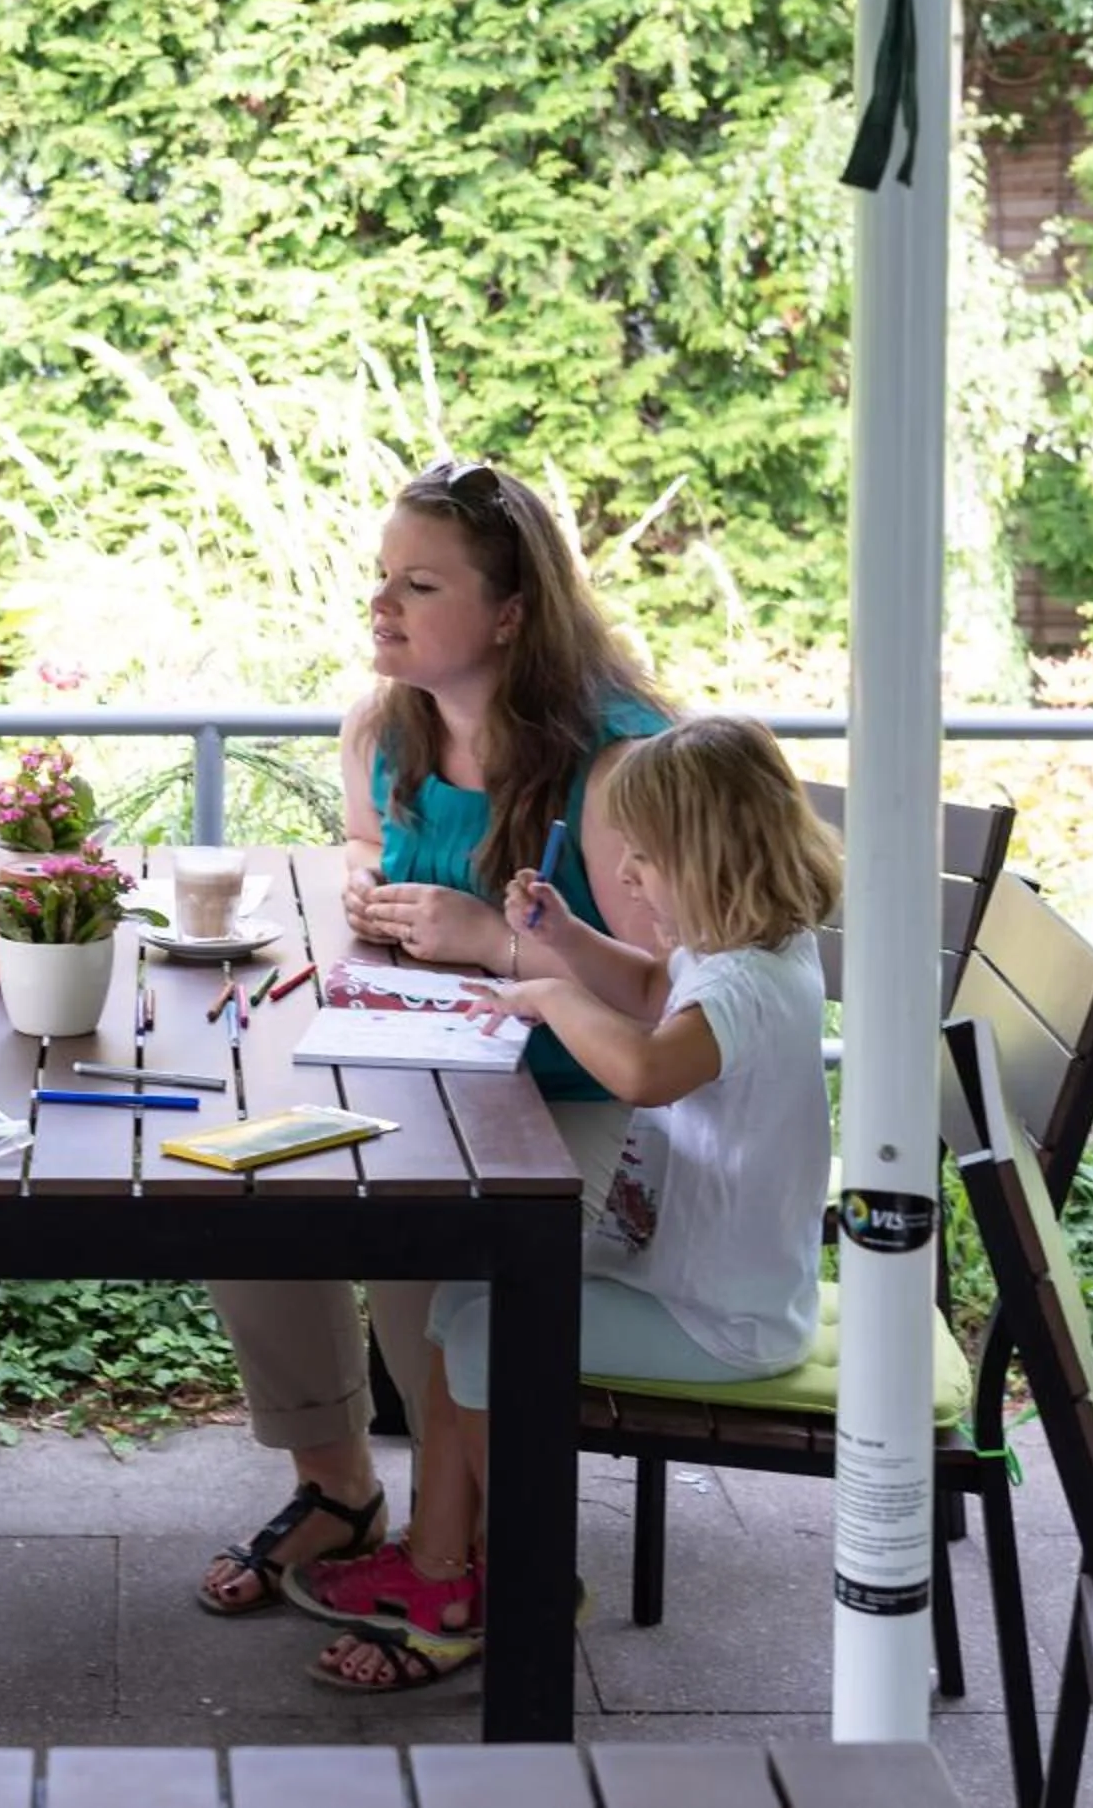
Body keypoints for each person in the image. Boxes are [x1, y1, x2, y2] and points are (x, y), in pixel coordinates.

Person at [196, 459, 668, 1619]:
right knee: (247, 1190)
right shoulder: (389, 727)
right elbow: (367, 847)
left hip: (575, 1093)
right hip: (424, 1064)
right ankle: (341, 1488)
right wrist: (372, 893)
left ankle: (471, 1551)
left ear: (511, 615)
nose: (382, 606)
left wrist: (490, 942)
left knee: (426, 1246)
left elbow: (667, 994)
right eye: (380, 578)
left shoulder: (615, 764)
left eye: (419, 584)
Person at [286, 713, 841, 1691]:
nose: (626, 879)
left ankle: (523, 1584)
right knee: (463, 1301)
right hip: (671, 1267)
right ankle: (443, 1570)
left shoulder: (752, 985)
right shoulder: (742, 948)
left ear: (709, 855)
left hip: (721, 1317)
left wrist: (549, 997)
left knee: (485, 1334)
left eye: (643, 860)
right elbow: (645, 983)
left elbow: (641, 1065)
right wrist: (564, 940)